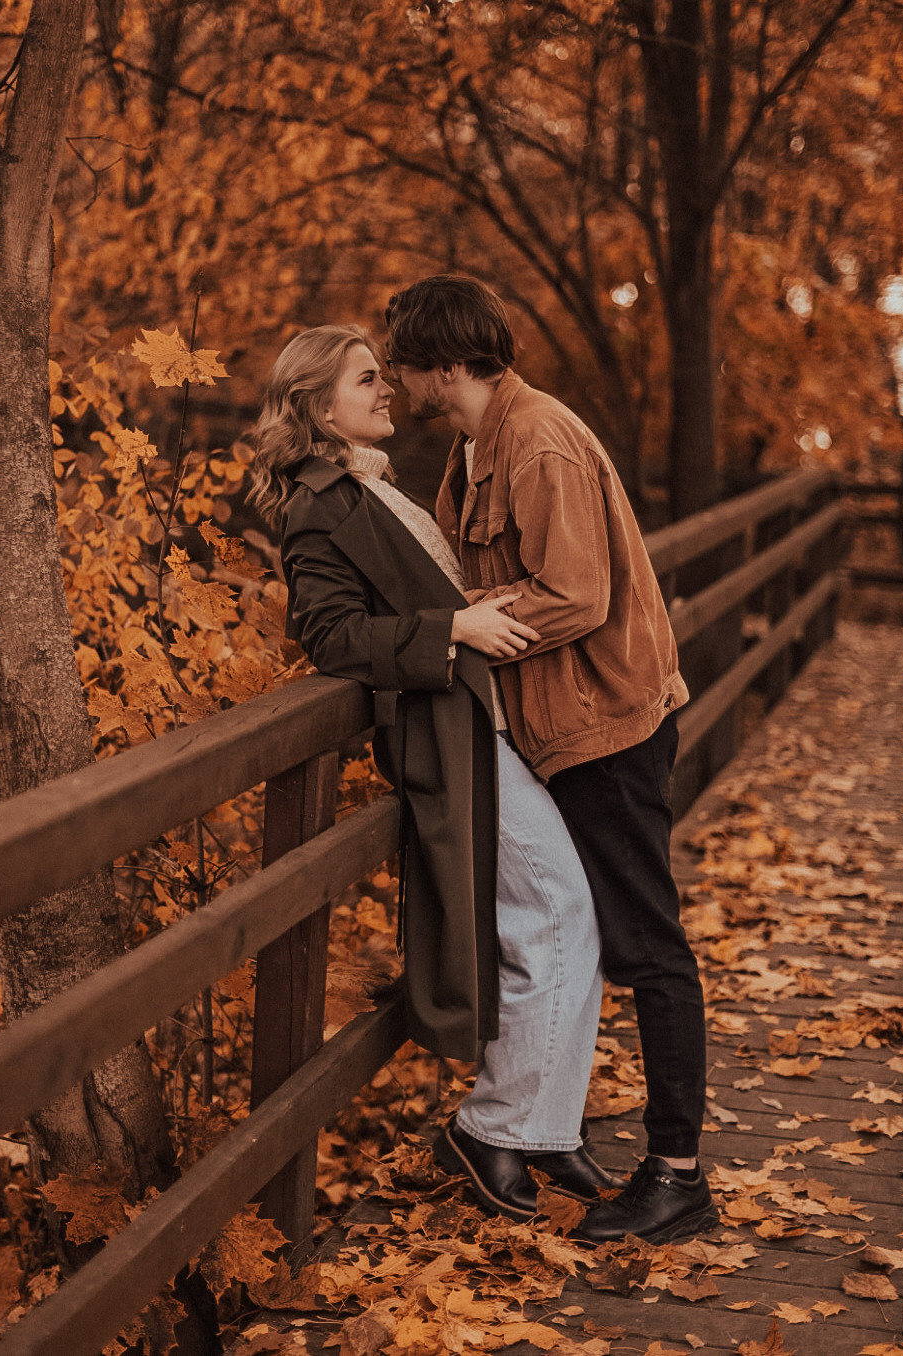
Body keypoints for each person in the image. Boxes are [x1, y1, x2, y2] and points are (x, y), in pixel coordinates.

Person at [384, 277, 718, 1245]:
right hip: (565, 729)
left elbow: (574, 592)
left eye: (404, 362)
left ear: (445, 365)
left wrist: (468, 632)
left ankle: (679, 1173)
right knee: (590, 927)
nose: (401, 379)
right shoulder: (475, 447)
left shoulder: (538, 442)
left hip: (606, 729)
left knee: (647, 944)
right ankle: (549, 1129)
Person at [249, 324, 609, 1222]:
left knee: (553, 911)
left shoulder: (372, 485)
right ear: (317, 405)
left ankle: (541, 1125)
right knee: (560, 905)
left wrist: (469, 608)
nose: (386, 392)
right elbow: (329, 636)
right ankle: (496, 1129)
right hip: (446, 734)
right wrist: (454, 632)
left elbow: (420, 595)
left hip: (477, 721)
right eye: (366, 380)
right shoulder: (318, 503)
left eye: (381, 376)